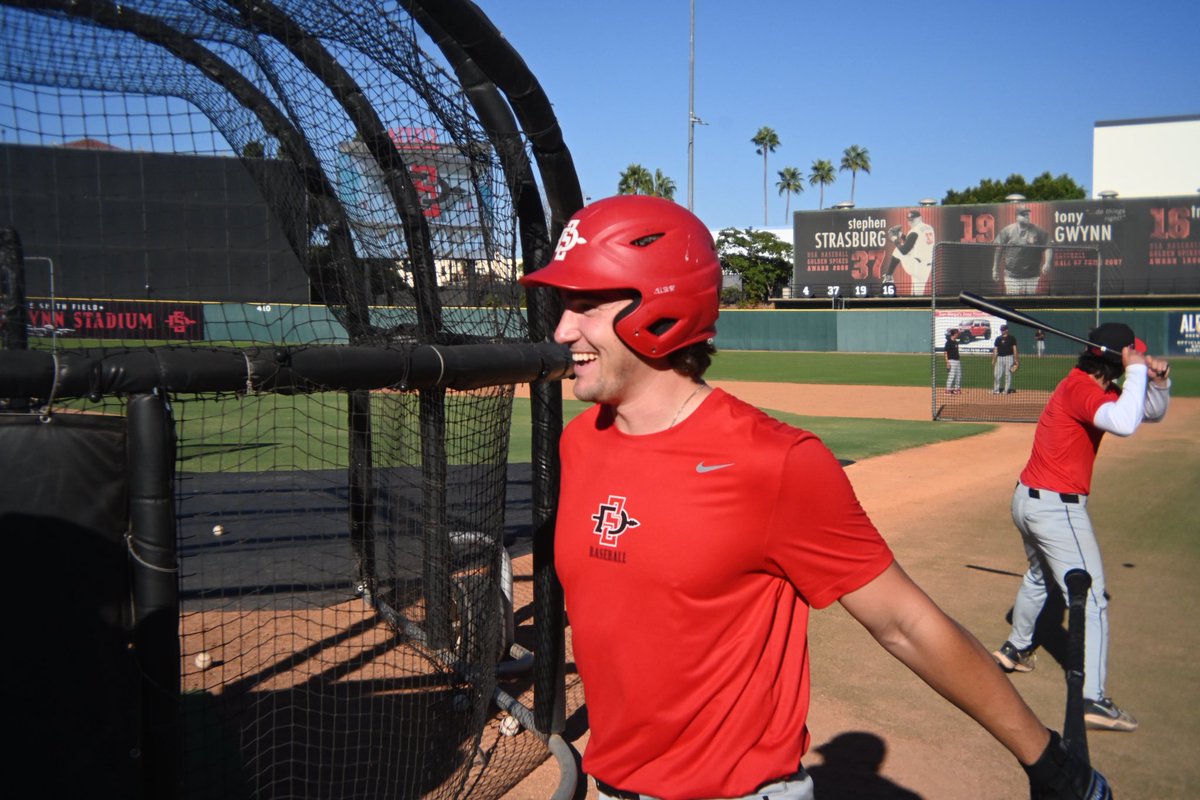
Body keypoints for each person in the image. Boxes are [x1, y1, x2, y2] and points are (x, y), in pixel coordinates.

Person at [520, 195, 1110, 800]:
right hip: (613, 786)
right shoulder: (580, 444)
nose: (564, 329)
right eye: (565, 305)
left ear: (662, 307)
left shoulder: (774, 462)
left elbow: (904, 622)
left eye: (587, 304)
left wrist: (1043, 759)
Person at [992, 323, 1170, 734]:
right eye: (1132, 354)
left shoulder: (1095, 388)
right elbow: (1124, 424)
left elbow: (1146, 412)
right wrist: (1138, 370)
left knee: (1040, 577)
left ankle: (1015, 649)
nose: (1138, 360)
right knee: (1091, 598)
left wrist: (1159, 380)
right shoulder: (1082, 390)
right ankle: (1093, 698)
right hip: (1056, 507)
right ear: (1116, 358)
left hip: (1030, 499)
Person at [992, 206, 1052, 295]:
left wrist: (1047, 262)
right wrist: (995, 269)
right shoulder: (1007, 231)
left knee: (1029, 303)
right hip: (1012, 276)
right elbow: (998, 249)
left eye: (1027, 214)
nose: (1027, 216)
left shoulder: (1038, 231)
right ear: (1016, 217)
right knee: (1013, 303)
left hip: (1032, 275)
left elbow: (1048, 246)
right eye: (1023, 214)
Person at [882, 209, 936, 295]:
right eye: (909, 220)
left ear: (918, 219)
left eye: (911, 220)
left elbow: (904, 250)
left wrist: (894, 239)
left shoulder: (914, 231)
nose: (909, 222)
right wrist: (900, 235)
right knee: (917, 297)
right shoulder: (929, 228)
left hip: (916, 266)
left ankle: (888, 276)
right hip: (926, 268)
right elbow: (913, 241)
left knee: (898, 250)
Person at [992, 324, 1019, 394]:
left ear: (1007, 330)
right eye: (1001, 329)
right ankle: (996, 390)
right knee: (996, 374)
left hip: (1009, 357)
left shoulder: (1012, 338)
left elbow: (1015, 349)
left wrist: (1016, 360)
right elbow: (995, 350)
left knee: (1008, 374)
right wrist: (994, 359)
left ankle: (1006, 390)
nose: (1002, 331)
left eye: (1003, 329)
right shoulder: (998, 338)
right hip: (999, 358)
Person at [945, 328, 962, 394]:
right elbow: (945, 352)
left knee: (959, 375)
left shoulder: (956, 342)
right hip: (951, 361)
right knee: (951, 375)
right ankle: (948, 389)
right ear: (954, 334)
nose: (958, 334)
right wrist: (947, 362)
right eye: (957, 333)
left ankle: (957, 389)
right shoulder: (949, 342)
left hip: (957, 361)